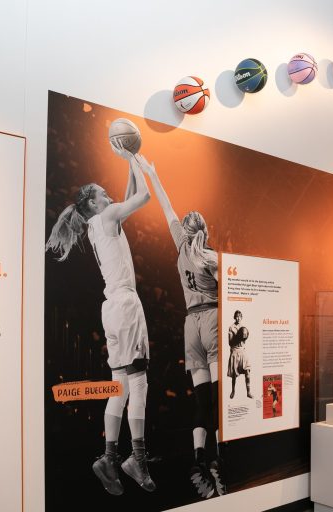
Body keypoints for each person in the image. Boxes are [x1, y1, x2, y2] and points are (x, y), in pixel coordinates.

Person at [45, 143, 155, 495]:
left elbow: (129, 194)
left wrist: (129, 162)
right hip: (124, 305)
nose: (110, 197)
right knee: (138, 384)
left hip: (113, 309)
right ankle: (136, 459)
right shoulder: (106, 217)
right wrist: (133, 158)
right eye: (103, 194)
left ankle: (110, 457)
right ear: (93, 203)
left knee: (119, 385)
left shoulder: (99, 221)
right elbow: (144, 196)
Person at [143, 161, 226, 498]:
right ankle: (220, 462)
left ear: (187, 230)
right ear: (205, 229)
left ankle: (198, 460)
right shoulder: (212, 257)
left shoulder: (180, 247)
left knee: (200, 402)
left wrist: (153, 173)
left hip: (189, 326)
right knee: (219, 402)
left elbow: (165, 205)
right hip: (212, 320)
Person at [227, 311, 252, 399]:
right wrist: (237, 337)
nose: (238, 318)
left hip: (242, 350)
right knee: (234, 374)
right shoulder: (231, 327)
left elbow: (245, 339)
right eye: (236, 316)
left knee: (247, 370)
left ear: (241, 317)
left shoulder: (243, 327)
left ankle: (248, 392)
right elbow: (230, 343)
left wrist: (244, 336)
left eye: (239, 316)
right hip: (235, 351)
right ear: (234, 317)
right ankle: (233, 391)